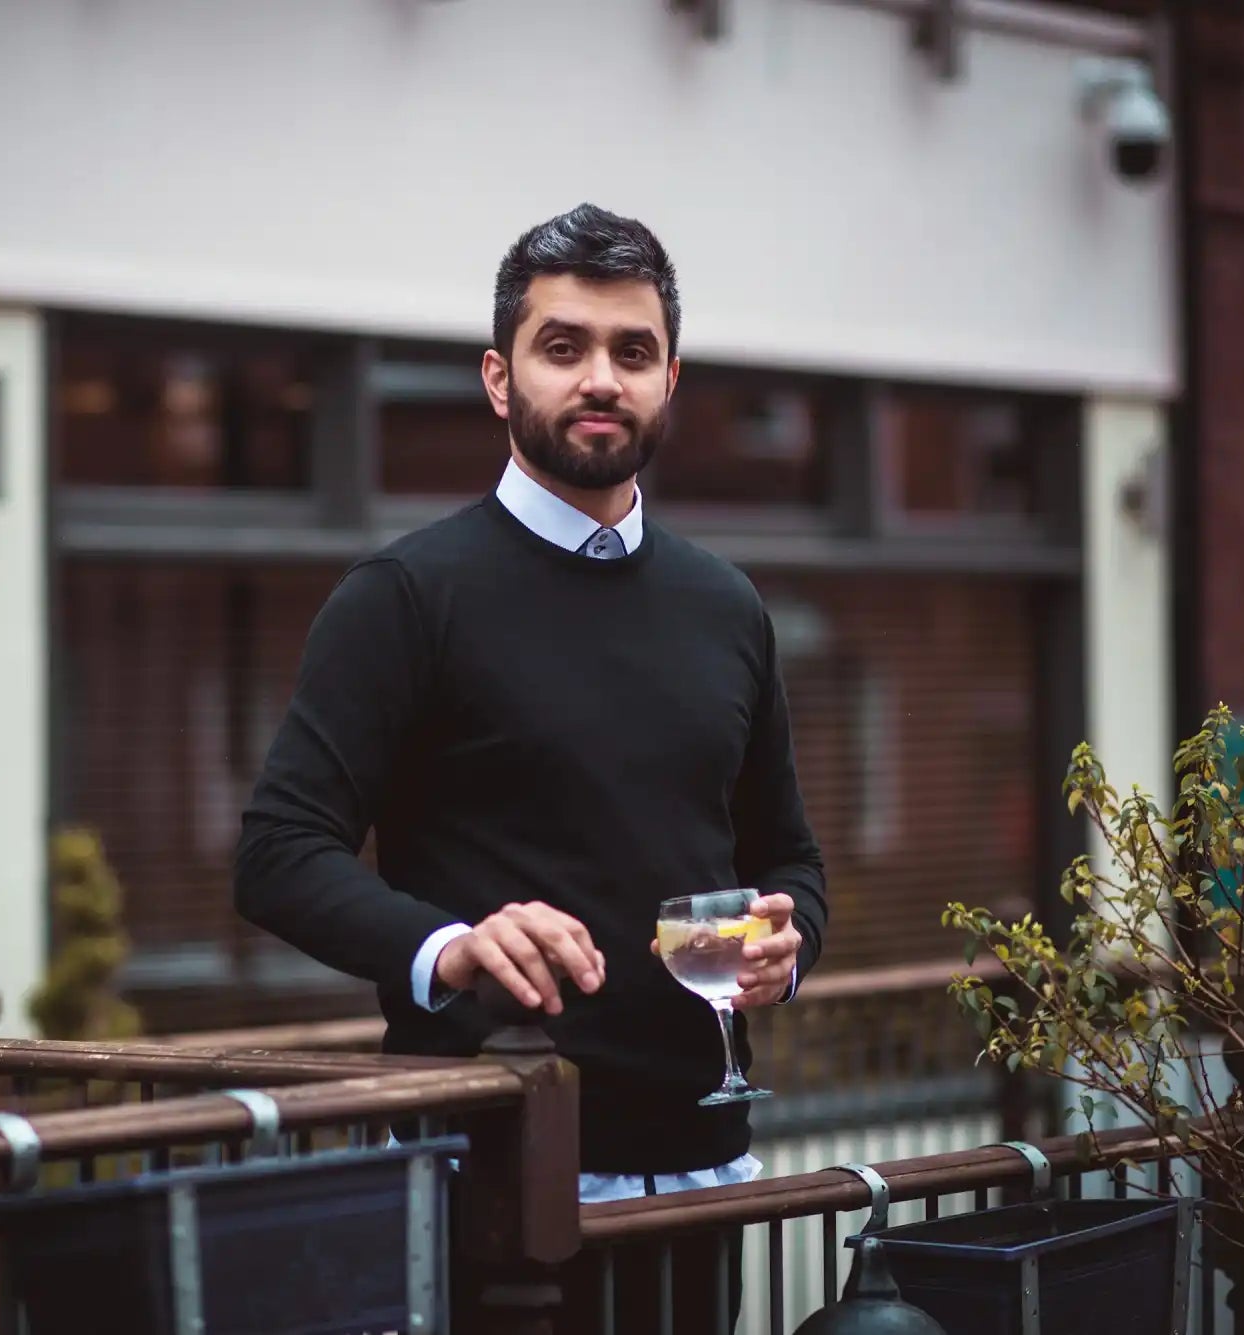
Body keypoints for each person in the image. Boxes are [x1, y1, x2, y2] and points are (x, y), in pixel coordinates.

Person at [234, 202, 827, 1332]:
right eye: (564, 348)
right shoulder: (406, 596)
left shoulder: (726, 606)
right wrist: (451, 947)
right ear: (501, 381)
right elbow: (275, 855)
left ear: (668, 381)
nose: (599, 378)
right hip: (484, 1168)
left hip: (703, 1172)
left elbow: (787, 858)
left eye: (631, 352)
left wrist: (788, 942)